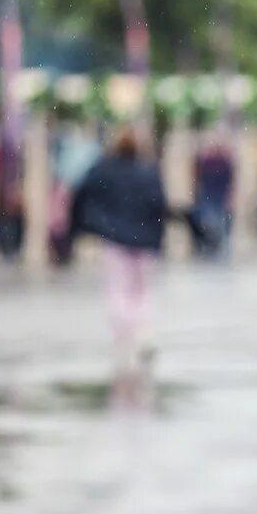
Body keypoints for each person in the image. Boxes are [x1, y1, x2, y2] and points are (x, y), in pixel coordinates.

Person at [69, 128, 167, 395]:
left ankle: (124, 336)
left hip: (115, 239)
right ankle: (143, 332)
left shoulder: (102, 170)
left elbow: (81, 196)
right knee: (142, 289)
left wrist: (84, 225)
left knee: (118, 289)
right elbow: (160, 204)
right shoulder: (148, 171)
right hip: (144, 241)